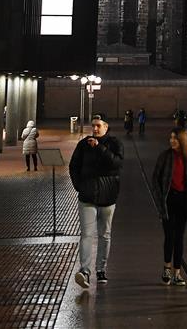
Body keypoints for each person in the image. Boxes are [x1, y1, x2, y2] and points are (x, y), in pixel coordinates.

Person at [69, 113, 124, 288]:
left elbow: (116, 163)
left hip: (107, 198)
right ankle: (85, 270)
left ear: (106, 127)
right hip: (87, 197)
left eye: (98, 125)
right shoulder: (83, 145)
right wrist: (79, 186)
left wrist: (100, 147)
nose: (95, 128)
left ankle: (101, 269)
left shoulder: (115, 144)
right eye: (93, 125)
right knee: (86, 234)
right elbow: (73, 166)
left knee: (104, 235)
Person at [152, 129, 187, 287]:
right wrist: (160, 199)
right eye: (171, 137)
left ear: (183, 141)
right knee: (169, 236)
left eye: (176, 138)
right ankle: (166, 268)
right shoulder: (165, 156)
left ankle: (177, 273)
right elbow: (155, 178)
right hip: (168, 200)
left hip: (183, 201)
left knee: (179, 237)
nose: (172, 140)